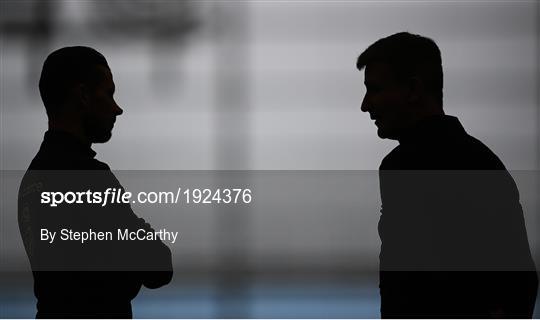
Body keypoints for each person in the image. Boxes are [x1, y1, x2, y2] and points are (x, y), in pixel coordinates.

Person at [356, 32, 538, 318]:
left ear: (413, 90)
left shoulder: (403, 168)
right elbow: (520, 287)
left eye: (376, 89)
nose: (366, 105)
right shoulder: (484, 164)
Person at [18, 46, 173, 318]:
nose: (117, 108)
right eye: (109, 93)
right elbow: (159, 266)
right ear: (83, 96)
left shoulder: (32, 181)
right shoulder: (89, 177)